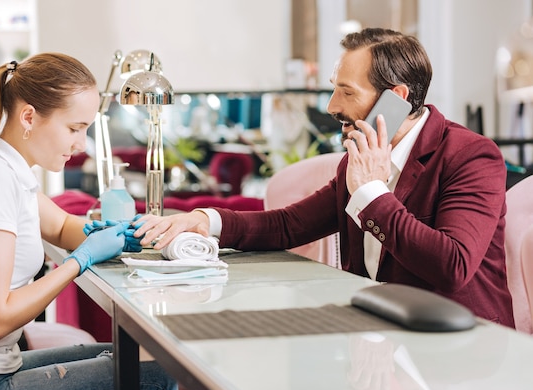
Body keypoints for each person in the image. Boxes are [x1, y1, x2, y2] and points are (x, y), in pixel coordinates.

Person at [133, 28, 515, 328]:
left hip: (459, 347)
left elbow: (452, 266)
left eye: (346, 91)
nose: (333, 106)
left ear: (395, 98)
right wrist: (205, 220)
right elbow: (288, 225)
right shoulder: (360, 156)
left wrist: (371, 193)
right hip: (374, 332)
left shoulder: (470, 156)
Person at [0, 53, 178, 390]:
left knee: (122, 361)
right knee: (156, 378)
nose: (82, 144)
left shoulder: (10, 171)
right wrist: (77, 262)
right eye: (74, 128)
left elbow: (62, 226)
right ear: (29, 117)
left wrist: (117, 232)